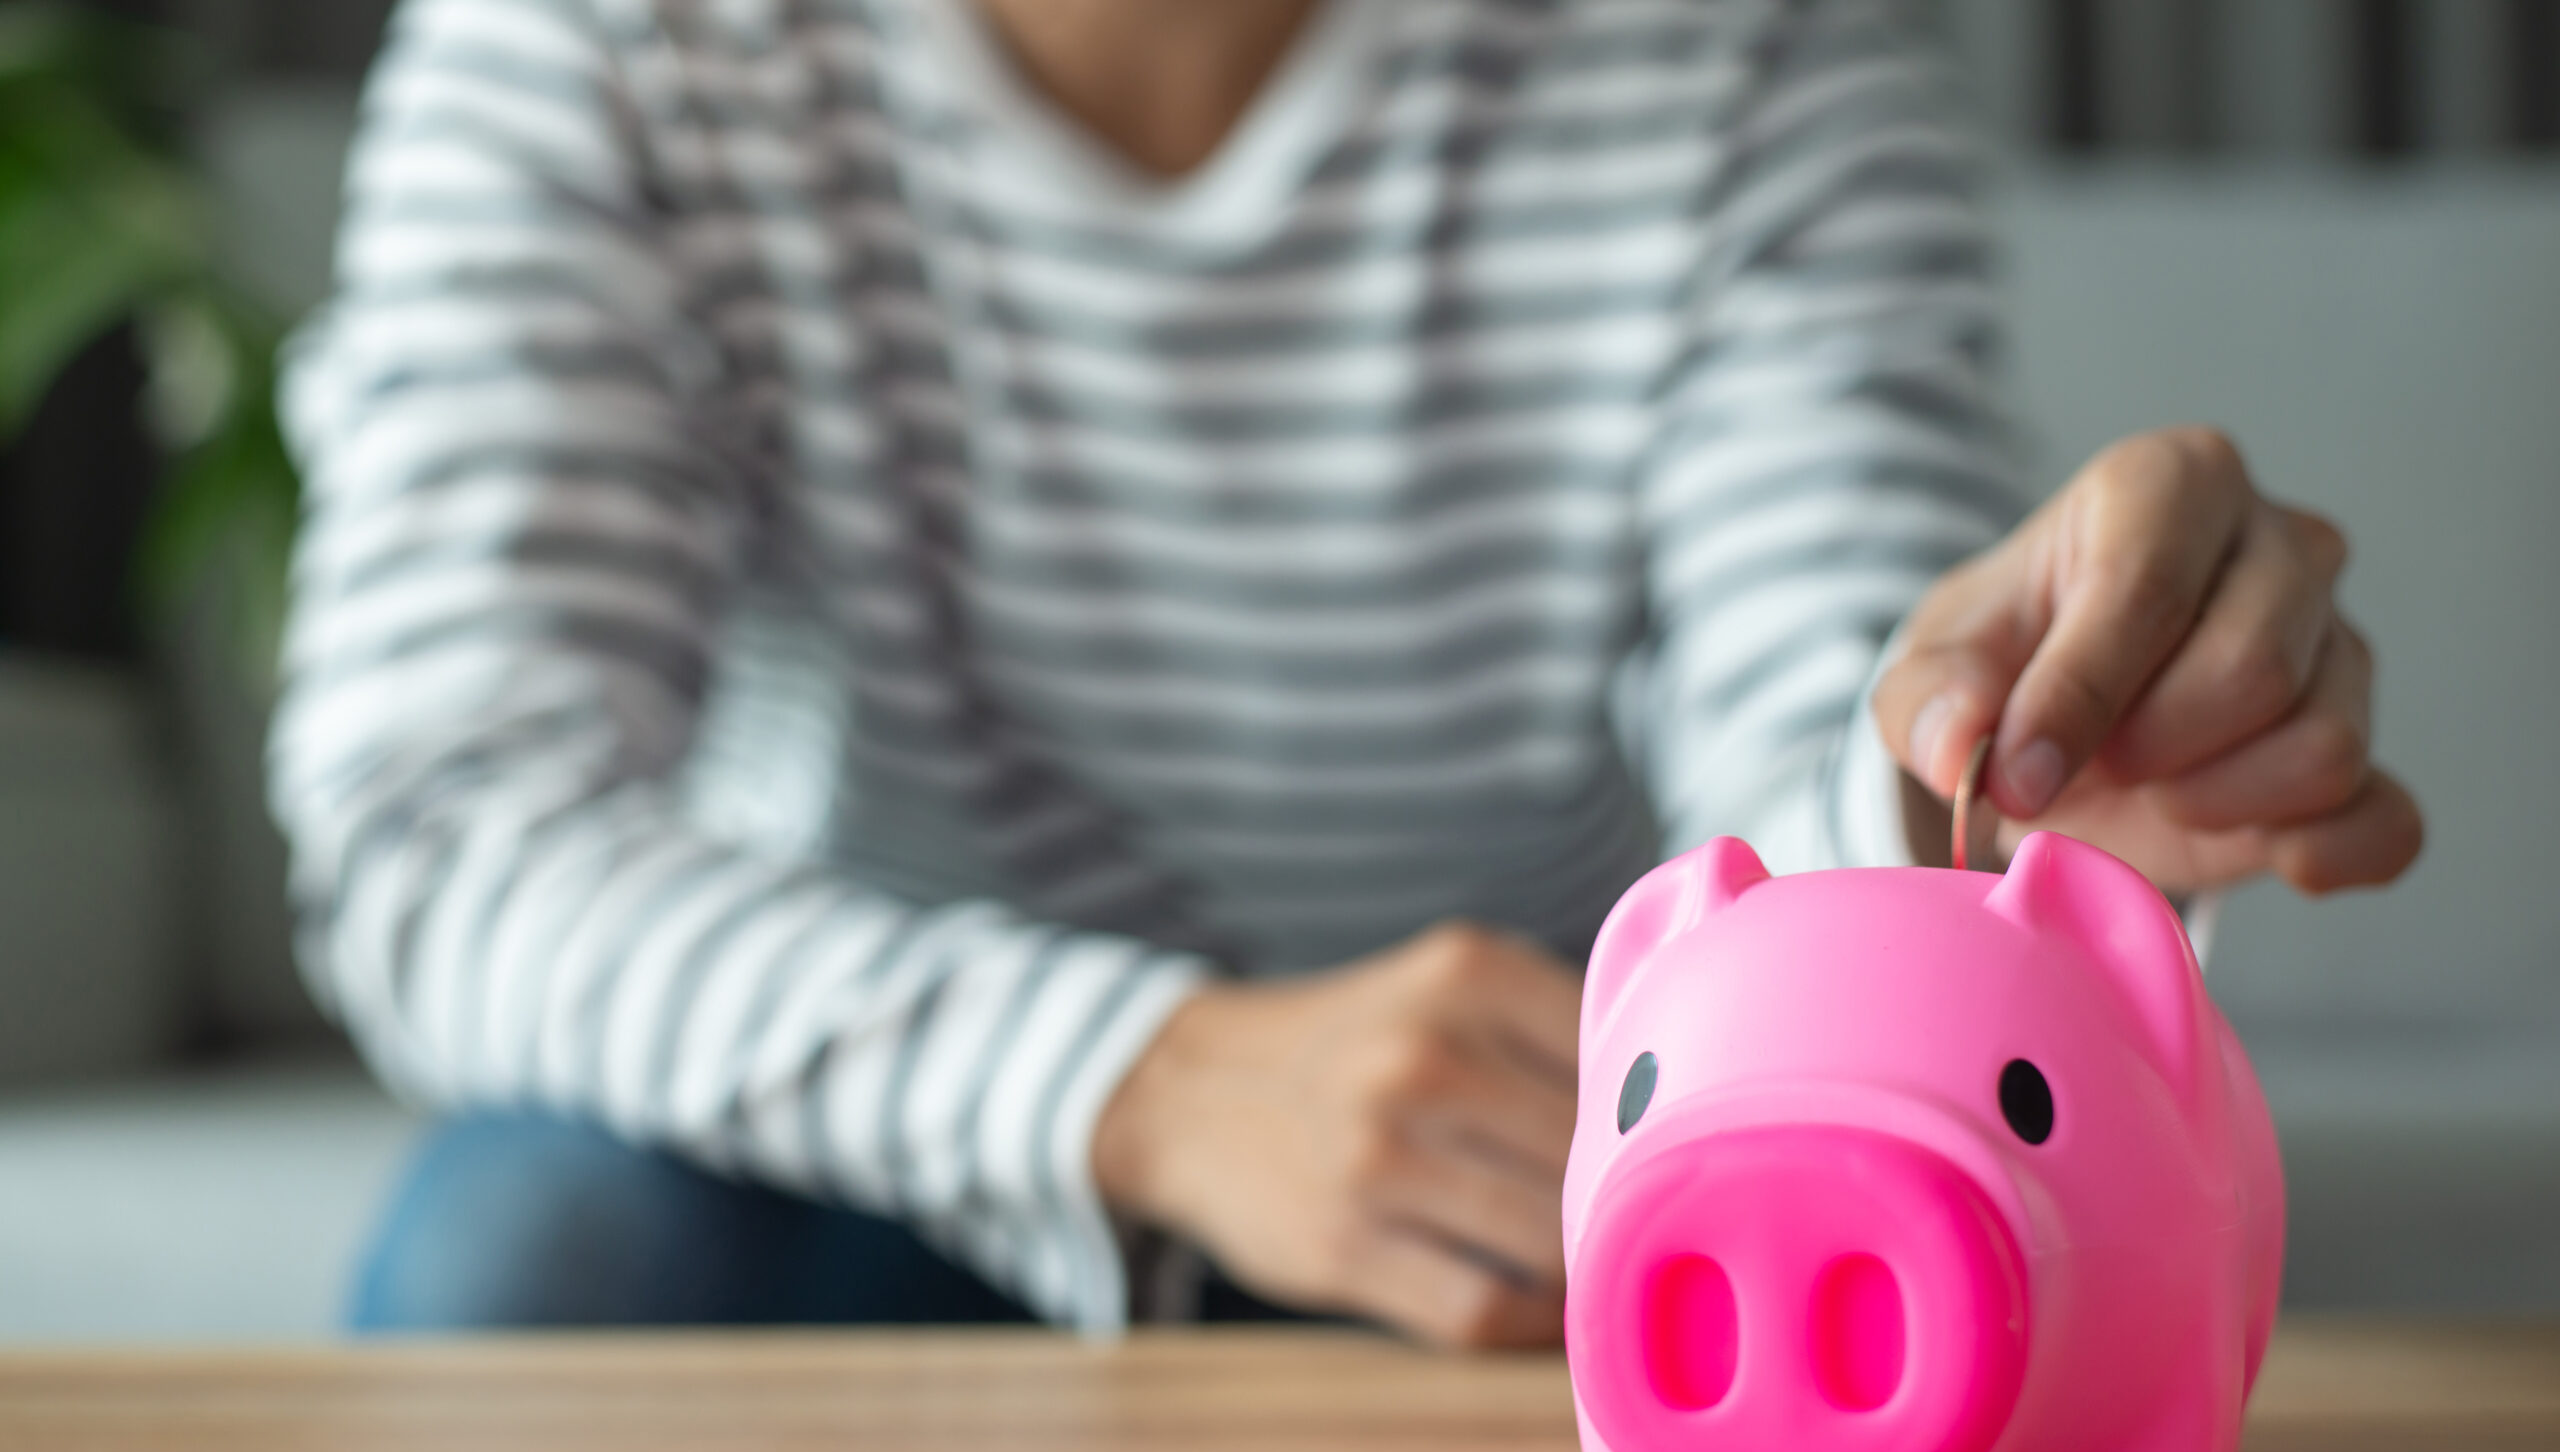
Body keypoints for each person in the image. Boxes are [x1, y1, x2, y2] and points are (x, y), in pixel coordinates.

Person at [274, 0, 2422, 1348]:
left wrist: (1965, 813)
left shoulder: (1753, 60)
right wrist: (1151, 1081)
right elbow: (443, 821)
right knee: (532, 1247)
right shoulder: (600, 50)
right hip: (923, 1159)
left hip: (1549, 1177)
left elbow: (1810, 709)